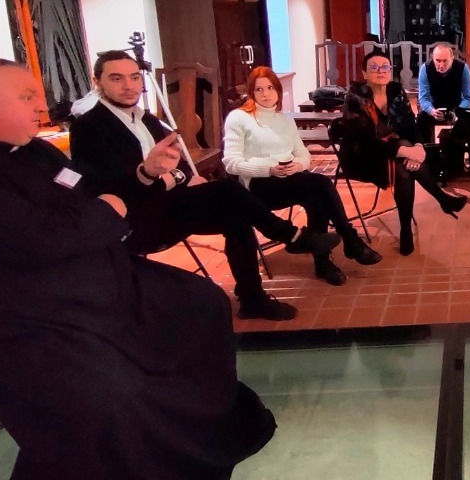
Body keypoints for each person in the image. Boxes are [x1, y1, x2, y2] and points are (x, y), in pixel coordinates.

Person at [0, 58, 276, 480]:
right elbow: (43, 240)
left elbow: (88, 196)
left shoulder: (34, 150)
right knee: (116, 381)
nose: (41, 105)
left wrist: (142, 176)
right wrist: (107, 210)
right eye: (26, 96)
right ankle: (153, 459)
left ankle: (206, 423)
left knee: (202, 302)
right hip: (22, 309)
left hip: (89, 274)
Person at [70, 51, 340, 322]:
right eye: (116, 78)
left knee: (237, 215)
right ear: (98, 82)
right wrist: (147, 174)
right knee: (226, 189)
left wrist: (176, 178)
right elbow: (100, 190)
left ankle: (253, 300)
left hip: (168, 205)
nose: (129, 86)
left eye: (134, 77)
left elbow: (179, 168)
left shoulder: (148, 121)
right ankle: (291, 236)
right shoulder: (87, 127)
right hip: (134, 223)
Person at [222, 66, 382, 285]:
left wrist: (297, 165)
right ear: (252, 92)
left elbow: (303, 155)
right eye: (259, 89)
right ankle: (349, 240)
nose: (266, 94)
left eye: (270, 88)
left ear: (278, 90)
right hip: (257, 186)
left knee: (316, 197)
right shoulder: (239, 118)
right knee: (321, 184)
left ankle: (323, 262)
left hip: (288, 180)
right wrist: (269, 169)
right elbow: (231, 163)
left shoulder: (284, 119)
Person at [339, 50, 469, 256]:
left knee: (404, 166)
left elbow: (410, 123)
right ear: (364, 73)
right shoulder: (355, 97)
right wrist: (404, 151)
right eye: (374, 67)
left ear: (391, 71)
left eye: (385, 67)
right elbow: (365, 140)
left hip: (390, 151)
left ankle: (407, 228)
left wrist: (417, 146)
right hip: (363, 157)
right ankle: (439, 201)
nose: (380, 71)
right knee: (404, 164)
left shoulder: (396, 90)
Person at [416, 42, 470, 177]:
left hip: (458, 105)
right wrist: (431, 111)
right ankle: (427, 158)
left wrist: (456, 112)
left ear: (452, 59)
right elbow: (423, 98)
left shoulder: (463, 68)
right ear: (433, 59)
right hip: (435, 106)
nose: (441, 65)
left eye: (445, 61)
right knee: (421, 121)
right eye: (438, 60)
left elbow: (468, 98)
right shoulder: (425, 68)